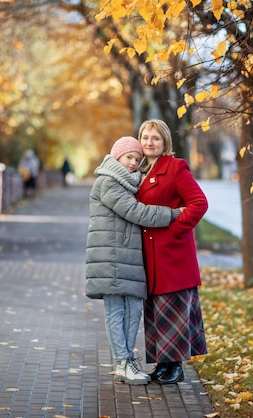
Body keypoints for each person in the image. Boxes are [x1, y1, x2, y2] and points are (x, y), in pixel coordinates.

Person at [85, 136, 182, 385]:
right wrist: (173, 214)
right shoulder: (108, 182)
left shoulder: (126, 183)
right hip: (112, 257)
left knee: (134, 309)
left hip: (125, 256)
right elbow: (137, 212)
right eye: (129, 157)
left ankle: (127, 360)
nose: (133, 163)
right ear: (116, 156)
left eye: (138, 160)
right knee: (116, 309)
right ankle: (123, 361)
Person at [136, 119, 209, 385]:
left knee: (174, 309)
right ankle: (162, 364)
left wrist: (176, 229)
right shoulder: (142, 170)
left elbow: (199, 203)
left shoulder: (176, 167)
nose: (149, 142)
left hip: (173, 255)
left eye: (155, 138)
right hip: (151, 257)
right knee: (156, 311)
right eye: (145, 137)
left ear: (165, 141)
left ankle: (175, 366)